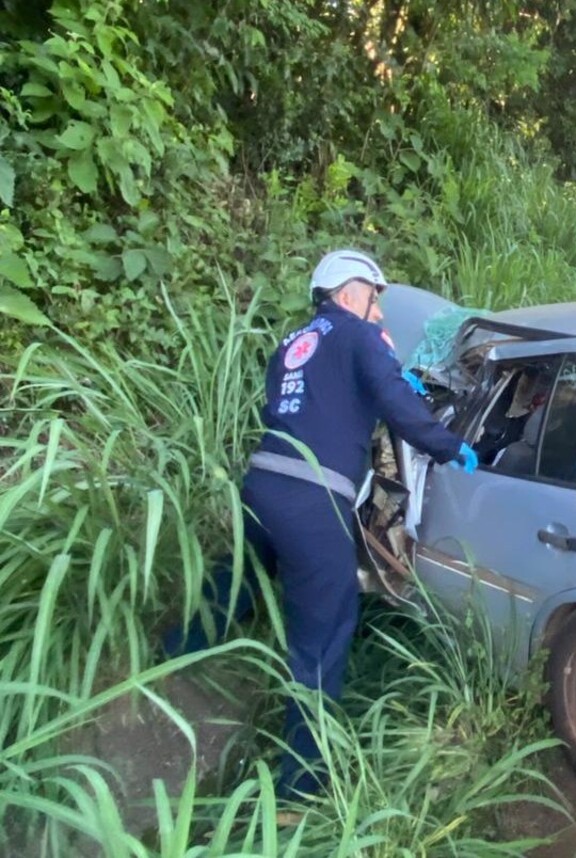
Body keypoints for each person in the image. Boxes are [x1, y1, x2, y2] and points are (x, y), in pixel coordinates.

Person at [167, 249, 478, 799]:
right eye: (374, 297)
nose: (379, 310)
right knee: (326, 627)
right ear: (347, 293)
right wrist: (451, 445)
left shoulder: (291, 345)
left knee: (237, 574)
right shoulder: (360, 338)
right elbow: (397, 405)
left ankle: (177, 652)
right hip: (313, 501)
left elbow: (312, 404)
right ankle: (299, 787)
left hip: (262, 485)